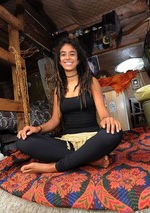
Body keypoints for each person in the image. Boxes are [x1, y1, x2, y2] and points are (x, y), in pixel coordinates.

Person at [16, 38, 123, 174]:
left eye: (72, 54)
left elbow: (103, 113)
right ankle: (90, 159)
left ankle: (54, 167)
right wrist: (37, 128)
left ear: (78, 59)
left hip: (93, 139)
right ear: (60, 61)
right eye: (63, 54)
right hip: (67, 142)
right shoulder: (58, 90)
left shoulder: (91, 82)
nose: (67, 57)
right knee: (22, 141)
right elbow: (55, 120)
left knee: (114, 133)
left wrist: (107, 119)